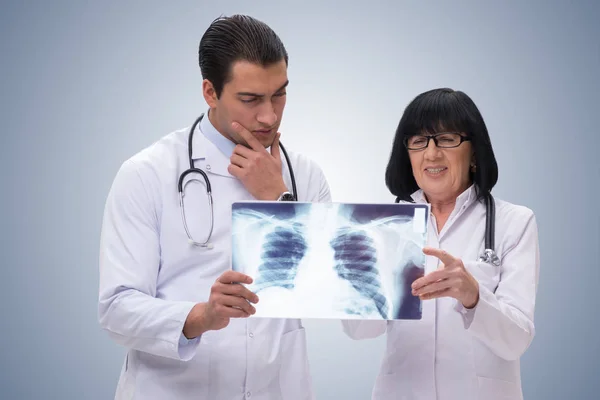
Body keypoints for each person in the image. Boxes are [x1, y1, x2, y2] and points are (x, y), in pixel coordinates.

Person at [98, 14, 331, 400]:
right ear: (210, 92)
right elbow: (117, 309)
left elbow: (330, 284)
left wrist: (278, 199)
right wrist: (201, 316)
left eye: (279, 94)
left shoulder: (303, 176)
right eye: (250, 99)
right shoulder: (147, 174)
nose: (269, 115)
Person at [341, 88, 540, 400]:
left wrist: (473, 296)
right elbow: (358, 331)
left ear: (474, 152)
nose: (431, 153)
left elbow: (516, 340)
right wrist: (362, 281)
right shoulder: (384, 226)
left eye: (446, 139)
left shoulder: (513, 222)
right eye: (419, 141)